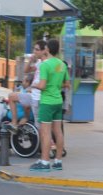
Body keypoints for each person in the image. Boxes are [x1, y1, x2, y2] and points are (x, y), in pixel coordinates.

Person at [30, 39, 69, 172]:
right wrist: (56, 86)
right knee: (58, 131)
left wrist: (33, 85)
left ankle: (45, 162)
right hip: (58, 101)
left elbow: (42, 85)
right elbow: (67, 84)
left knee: (45, 133)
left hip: (47, 102)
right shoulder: (62, 64)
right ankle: (58, 161)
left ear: (47, 49)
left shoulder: (45, 65)